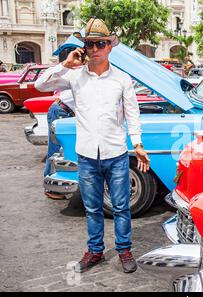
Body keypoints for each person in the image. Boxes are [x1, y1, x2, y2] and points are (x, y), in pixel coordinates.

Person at [35, 18, 150, 274]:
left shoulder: (122, 79)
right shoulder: (75, 77)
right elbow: (40, 85)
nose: (95, 48)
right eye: (89, 44)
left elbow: (132, 113)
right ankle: (95, 251)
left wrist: (138, 143)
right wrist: (65, 64)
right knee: (93, 207)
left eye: (100, 43)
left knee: (121, 207)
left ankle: (124, 250)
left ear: (110, 46)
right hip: (87, 154)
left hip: (116, 154)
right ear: (84, 47)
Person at [43, 89, 75, 200]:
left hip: (63, 109)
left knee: (60, 150)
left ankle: (55, 186)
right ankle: (51, 188)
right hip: (60, 110)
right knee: (56, 150)